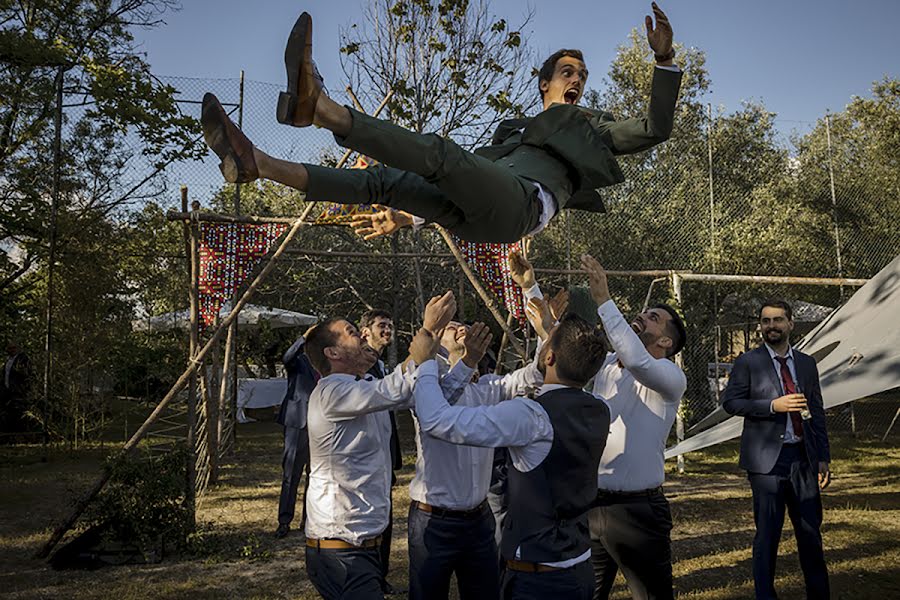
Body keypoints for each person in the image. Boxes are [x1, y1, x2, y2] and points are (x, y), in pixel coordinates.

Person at [200, 3, 682, 243]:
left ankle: (320, 109)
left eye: (582, 74)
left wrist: (663, 59)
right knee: (384, 182)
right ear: (545, 83)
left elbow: (655, 128)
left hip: (526, 207)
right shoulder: (514, 131)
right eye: (568, 71)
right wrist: (409, 216)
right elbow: (469, 184)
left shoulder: (589, 126)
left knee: (440, 154)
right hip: (487, 211)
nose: (577, 78)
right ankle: (257, 163)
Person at [411, 315, 611, 600]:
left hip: (538, 572)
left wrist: (425, 363)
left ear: (550, 356)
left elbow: (435, 420)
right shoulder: (600, 408)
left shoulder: (529, 415)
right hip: (579, 562)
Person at [302, 292, 462, 599]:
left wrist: (444, 349)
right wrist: (426, 333)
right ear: (333, 352)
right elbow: (392, 389)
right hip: (341, 549)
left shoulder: (361, 388)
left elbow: (410, 390)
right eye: (351, 332)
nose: (362, 335)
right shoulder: (330, 393)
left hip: (362, 545)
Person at [406, 318, 543, 600]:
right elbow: (439, 410)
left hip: (479, 520)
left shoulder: (488, 388)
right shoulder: (426, 386)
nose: (460, 329)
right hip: (433, 522)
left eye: (462, 325)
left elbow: (534, 374)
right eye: (449, 328)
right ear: (437, 346)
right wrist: (469, 361)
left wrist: (544, 329)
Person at [575, 254, 686, 600]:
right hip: (590, 505)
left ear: (666, 342)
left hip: (638, 512)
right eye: (644, 312)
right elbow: (560, 351)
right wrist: (529, 288)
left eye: (654, 318)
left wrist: (605, 301)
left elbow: (638, 359)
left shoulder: (670, 377)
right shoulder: (606, 365)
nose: (642, 317)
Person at [722, 299, 831, 600]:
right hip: (767, 464)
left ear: (790, 324)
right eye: (766, 321)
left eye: (778, 320)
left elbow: (818, 412)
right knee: (767, 537)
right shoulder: (749, 362)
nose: (772, 326)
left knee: (810, 535)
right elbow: (730, 403)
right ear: (760, 326)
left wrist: (823, 458)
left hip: (803, 460)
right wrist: (773, 405)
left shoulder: (807, 363)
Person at [358, 309, 402, 595]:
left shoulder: (380, 364)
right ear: (365, 332)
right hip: (369, 457)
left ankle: (380, 576)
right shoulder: (361, 367)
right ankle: (371, 578)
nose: (388, 331)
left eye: (390, 326)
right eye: (382, 326)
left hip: (386, 453)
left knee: (385, 517)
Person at [274, 334, 318, 539]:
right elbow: (286, 357)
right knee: (291, 475)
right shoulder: (298, 362)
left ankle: (308, 519)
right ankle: (284, 521)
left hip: (320, 427)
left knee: (315, 476)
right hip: (297, 424)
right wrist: (304, 337)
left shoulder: (327, 364)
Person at [1, 342, 31, 436]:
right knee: (7, 411)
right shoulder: (8, 360)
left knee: (18, 412)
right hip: (7, 389)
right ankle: (8, 433)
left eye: (13, 348)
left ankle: (19, 434)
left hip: (18, 390)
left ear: (17, 348)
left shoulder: (22, 359)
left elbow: (26, 374)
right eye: (9, 348)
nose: (11, 350)